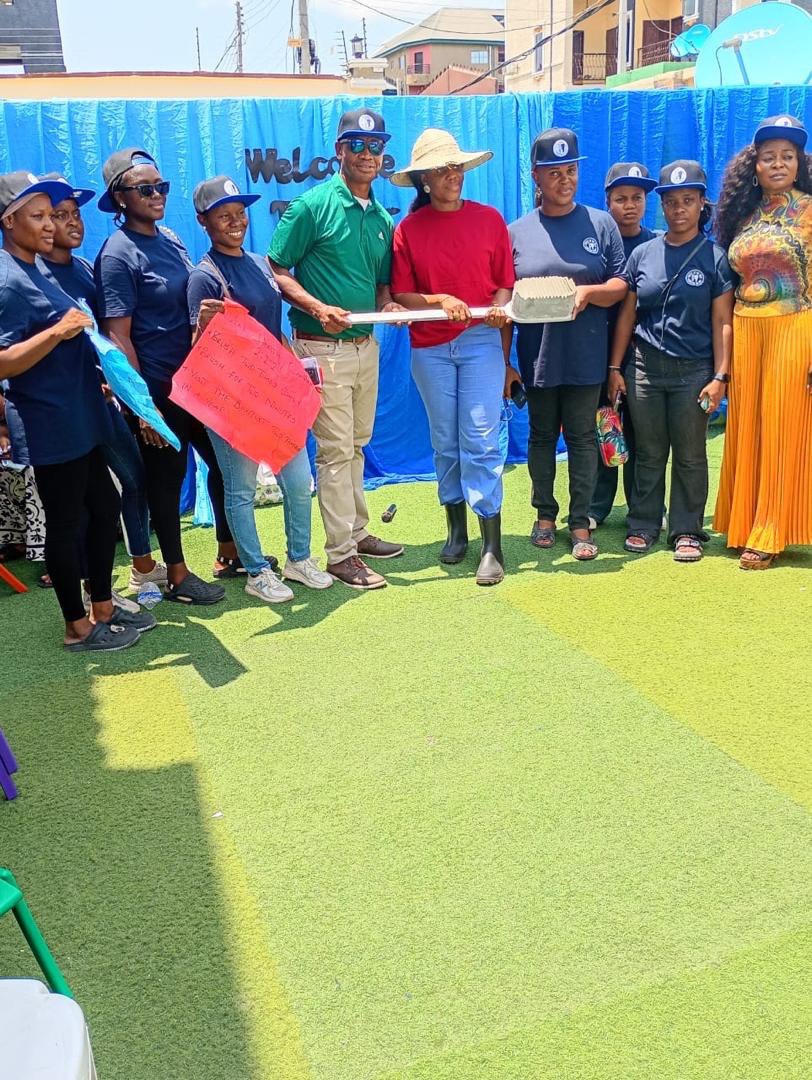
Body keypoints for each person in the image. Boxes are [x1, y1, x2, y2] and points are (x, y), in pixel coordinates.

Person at [0, 170, 148, 650]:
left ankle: (102, 607)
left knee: (104, 507)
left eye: (51, 215)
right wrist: (57, 332)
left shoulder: (39, 268)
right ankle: (76, 627)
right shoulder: (6, 279)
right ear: (9, 221)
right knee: (66, 524)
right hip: (50, 420)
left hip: (82, 411)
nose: (49, 225)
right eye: (37, 216)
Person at [268, 109, 406, 591]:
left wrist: (387, 304)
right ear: (340, 151)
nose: (368, 154)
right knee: (334, 451)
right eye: (358, 145)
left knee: (357, 445)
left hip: (366, 346)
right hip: (320, 348)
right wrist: (317, 307)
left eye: (376, 145)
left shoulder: (382, 217)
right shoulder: (311, 206)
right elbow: (277, 269)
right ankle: (340, 554)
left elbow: (382, 284)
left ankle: (358, 532)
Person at [187, 175, 333, 603]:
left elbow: (272, 330)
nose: (236, 222)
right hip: (232, 401)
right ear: (203, 221)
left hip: (274, 394)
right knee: (241, 490)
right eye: (223, 215)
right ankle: (255, 571)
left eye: (240, 213)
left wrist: (298, 373)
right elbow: (196, 354)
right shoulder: (204, 277)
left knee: (298, 480)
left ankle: (299, 559)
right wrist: (202, 326)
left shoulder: (259, 264)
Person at [94, 148, 227, 605]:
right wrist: (143, 409)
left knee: (222, 464)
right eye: (145, 189)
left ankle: (228, 552)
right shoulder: (117, 255)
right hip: (157, 390)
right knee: (166, 483)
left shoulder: (170, 240)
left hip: (195, 383)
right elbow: (117, 337)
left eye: (161, 186)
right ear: (120, 197)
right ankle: (176, 575)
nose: (156, 195)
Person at [390, 129, 514, 586]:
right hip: (429, 347)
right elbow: (402, 294)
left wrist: (498, 308)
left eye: (456, 166)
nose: (452, 175)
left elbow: (504, 283)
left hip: (481, 340)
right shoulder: (408, 230)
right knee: (445, 441)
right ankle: (456, 530)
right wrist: (439, 299)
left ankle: (491, 546)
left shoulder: (489, 220)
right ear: (424, 179)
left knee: (480, 438)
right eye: (442, 169)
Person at [39, 173, 163, 607]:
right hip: (63, 411)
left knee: (130, 481)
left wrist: (115, 381)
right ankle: (91, 599)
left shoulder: (83, 269)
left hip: (101, 401)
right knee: (81, 507)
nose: (73, 222)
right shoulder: (34, 277)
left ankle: (135, 572)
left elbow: (103, 336)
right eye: (60, 215)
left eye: (75, 214)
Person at [508, 128, 627, 561]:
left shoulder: (601, 223)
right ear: (536, 177)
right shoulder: (517, 232)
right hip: (538, 357)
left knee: (581, 438)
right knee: (541, 437)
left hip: (586, 355)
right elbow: (505, 301)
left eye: (571, 170)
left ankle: (579, 521)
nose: (565, 180)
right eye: (554, 172)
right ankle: (544, 514)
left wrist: (589, 293)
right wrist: (505, 363)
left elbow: (621, 284)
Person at [609, 160, 734, 562]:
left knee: (690, 453)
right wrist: (615, 368)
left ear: (701, 204)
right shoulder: (643, 254)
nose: (679, 209)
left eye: (688, 200)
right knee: (648, 451)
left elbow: (722, 321)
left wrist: (720, 376)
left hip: (694, 372)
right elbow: (628, 315)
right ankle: (644, 524)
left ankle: (686, 529)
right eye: (671, 201)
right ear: (661, 206)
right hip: (644, 369)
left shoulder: (715, 258)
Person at [713, 115, 812, 569]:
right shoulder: (743, 215)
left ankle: (771, 532)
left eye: (787, 156)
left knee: (781, 426)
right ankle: (745, 521)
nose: (778, 164)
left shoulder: (810, 212)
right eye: (769, 156)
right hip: (747, 329)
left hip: (794, 326)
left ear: (799, 163)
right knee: (748, 425)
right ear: (754, 166)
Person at [589, 162, 659, 530]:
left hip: (644, 354)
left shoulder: (658, 245)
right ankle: (596, 507)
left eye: (637, 197)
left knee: (642, 433)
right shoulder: (597, 244)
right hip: (599, 352)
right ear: (607, 201)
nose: (629, 205)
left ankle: (642, 507)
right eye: (621, 198)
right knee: (604, 425)